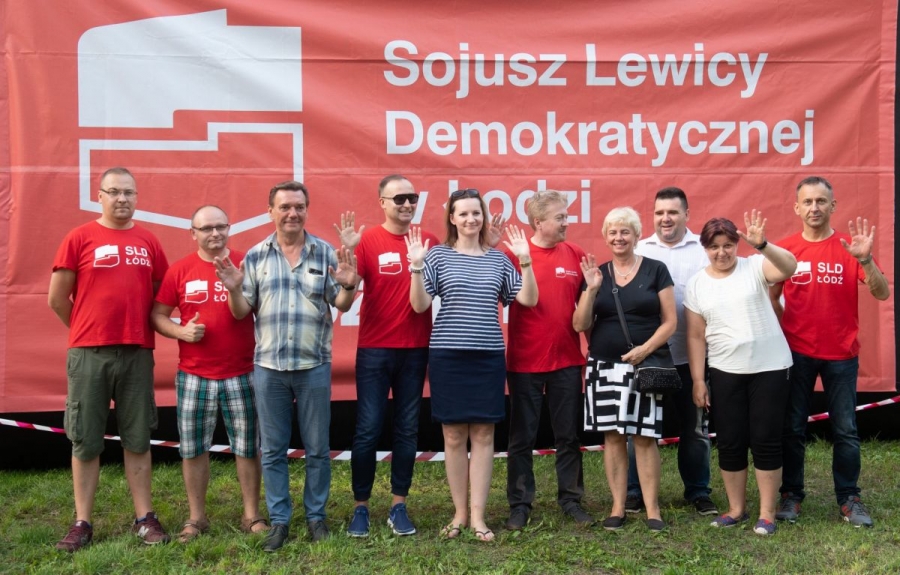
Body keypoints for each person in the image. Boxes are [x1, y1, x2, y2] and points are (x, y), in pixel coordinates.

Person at [213, 181, 359, 552]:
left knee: (317, 448)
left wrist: (349, 286)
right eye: (284, 207)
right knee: (273, 450)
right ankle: (279, 521)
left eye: (299, 206)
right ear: (271, 212)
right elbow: (241, 312)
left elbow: (341, 304)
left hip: (313, 366)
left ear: (306, 210)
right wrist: (234, 289)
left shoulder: (325, 252)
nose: (292, 213)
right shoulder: (256, 256)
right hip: (270, 368)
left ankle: (316, 517)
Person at [48, 167, 170, 551]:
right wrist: (88, 330)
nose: (122, 198)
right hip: (89, 354)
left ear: (136, 197)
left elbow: (160, 295)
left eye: (128, 192)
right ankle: (82, 522)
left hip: (137, 354)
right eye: (114, 191)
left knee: (138, 437)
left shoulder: (148, 241)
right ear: (99, 196)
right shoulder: (79, 237)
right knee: (85, 438)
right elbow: (57, 298)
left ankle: (144, 518)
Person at [407, 188, 538, 542]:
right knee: (452, 436)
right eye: (463, 213)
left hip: (487, 356)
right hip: (448, 356)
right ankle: (459, 514)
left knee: (483, 434)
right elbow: (419, 305)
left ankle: (479, 516)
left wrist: (525, 260)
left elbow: (528, 298)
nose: (470, 219)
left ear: (483, 217)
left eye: (476, 213)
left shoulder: (498, 259)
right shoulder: (437, 256)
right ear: (452, 218)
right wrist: (416, 266)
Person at [771, 176, 889, 528]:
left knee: (846, 430)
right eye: (807, 202)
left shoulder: (850, 248)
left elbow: (882, 293)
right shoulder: (786, 251)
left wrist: (866, 261)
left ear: (833, 206)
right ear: (797, 208)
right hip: (796, 353)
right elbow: (769, 297)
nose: (814, 208)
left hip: (842, 355)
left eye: (821, 201)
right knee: (792, 428)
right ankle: (791, 495)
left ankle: (849, 498)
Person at [151, 205, 267, 543]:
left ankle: (251, 515)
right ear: (193, 233)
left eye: (220, 226)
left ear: (229, 228)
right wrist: (180, 332)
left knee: (248, 447)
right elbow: (158, 315)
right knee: (193, 448)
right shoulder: (180, 270)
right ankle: (196, 518)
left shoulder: (246, 263)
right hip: (194, 374)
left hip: (242, 371)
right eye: (206, 228)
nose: (214, 233)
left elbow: (262, 308)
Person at [333, 175, 440, 537]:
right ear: (382, 202)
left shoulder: (428, 241)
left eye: (412, 197)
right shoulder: (366, 242)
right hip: (375, 350)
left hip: (416, 350)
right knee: (368, 429)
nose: (407, 204)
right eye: (399, 199)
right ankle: (360, 507)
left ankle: (398, 505)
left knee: (407, 429)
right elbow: (343, 303)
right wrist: (349, 282)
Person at [684, 213, 797, 536]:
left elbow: (789, 267)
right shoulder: (697, 284)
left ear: (737, 244)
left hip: (770, 368)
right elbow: (695, 335)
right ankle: (736, 509)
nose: (722, 252)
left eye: (728, 245)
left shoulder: (755, 266)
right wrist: (698, 380)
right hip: (725, 371)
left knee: (765, 440)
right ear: (705, 248)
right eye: (714, 247)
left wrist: (762, 245)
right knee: (730, 442)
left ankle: (767, 514)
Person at [574, 206, 676, 532]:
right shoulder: (597, 275)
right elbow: (580, 323)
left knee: (645, 438)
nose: (619, 238)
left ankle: (652, 509)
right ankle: (618, 506)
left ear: (636, 236)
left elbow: (670, 322)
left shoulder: (656, 270)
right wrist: (591, 290)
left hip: (644, 366)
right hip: (604, 367)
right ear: (605, 237)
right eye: (613, 232)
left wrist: (645, 349)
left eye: (625, 232)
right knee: (613, 437)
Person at [503, 190, 593, 531]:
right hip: (524, 362)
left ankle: (571, 500)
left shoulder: (575, 254)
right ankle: (520, 505)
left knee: (568, 436)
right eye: (560, 217)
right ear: (538, 222)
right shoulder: (514, 255)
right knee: (521, 438)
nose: (566, 222)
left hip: (567, 361)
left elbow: (588, 308)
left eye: (566, 216)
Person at [626, 187, 718, 517]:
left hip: (692, 359)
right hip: (650, 358)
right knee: (639, 429)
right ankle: (634, 491)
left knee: (695, 429)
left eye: (673, 212)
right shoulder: (640, 249)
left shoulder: (703, 251)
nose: (666, 218)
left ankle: (698, 491)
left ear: (686, 215)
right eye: (660, 212)